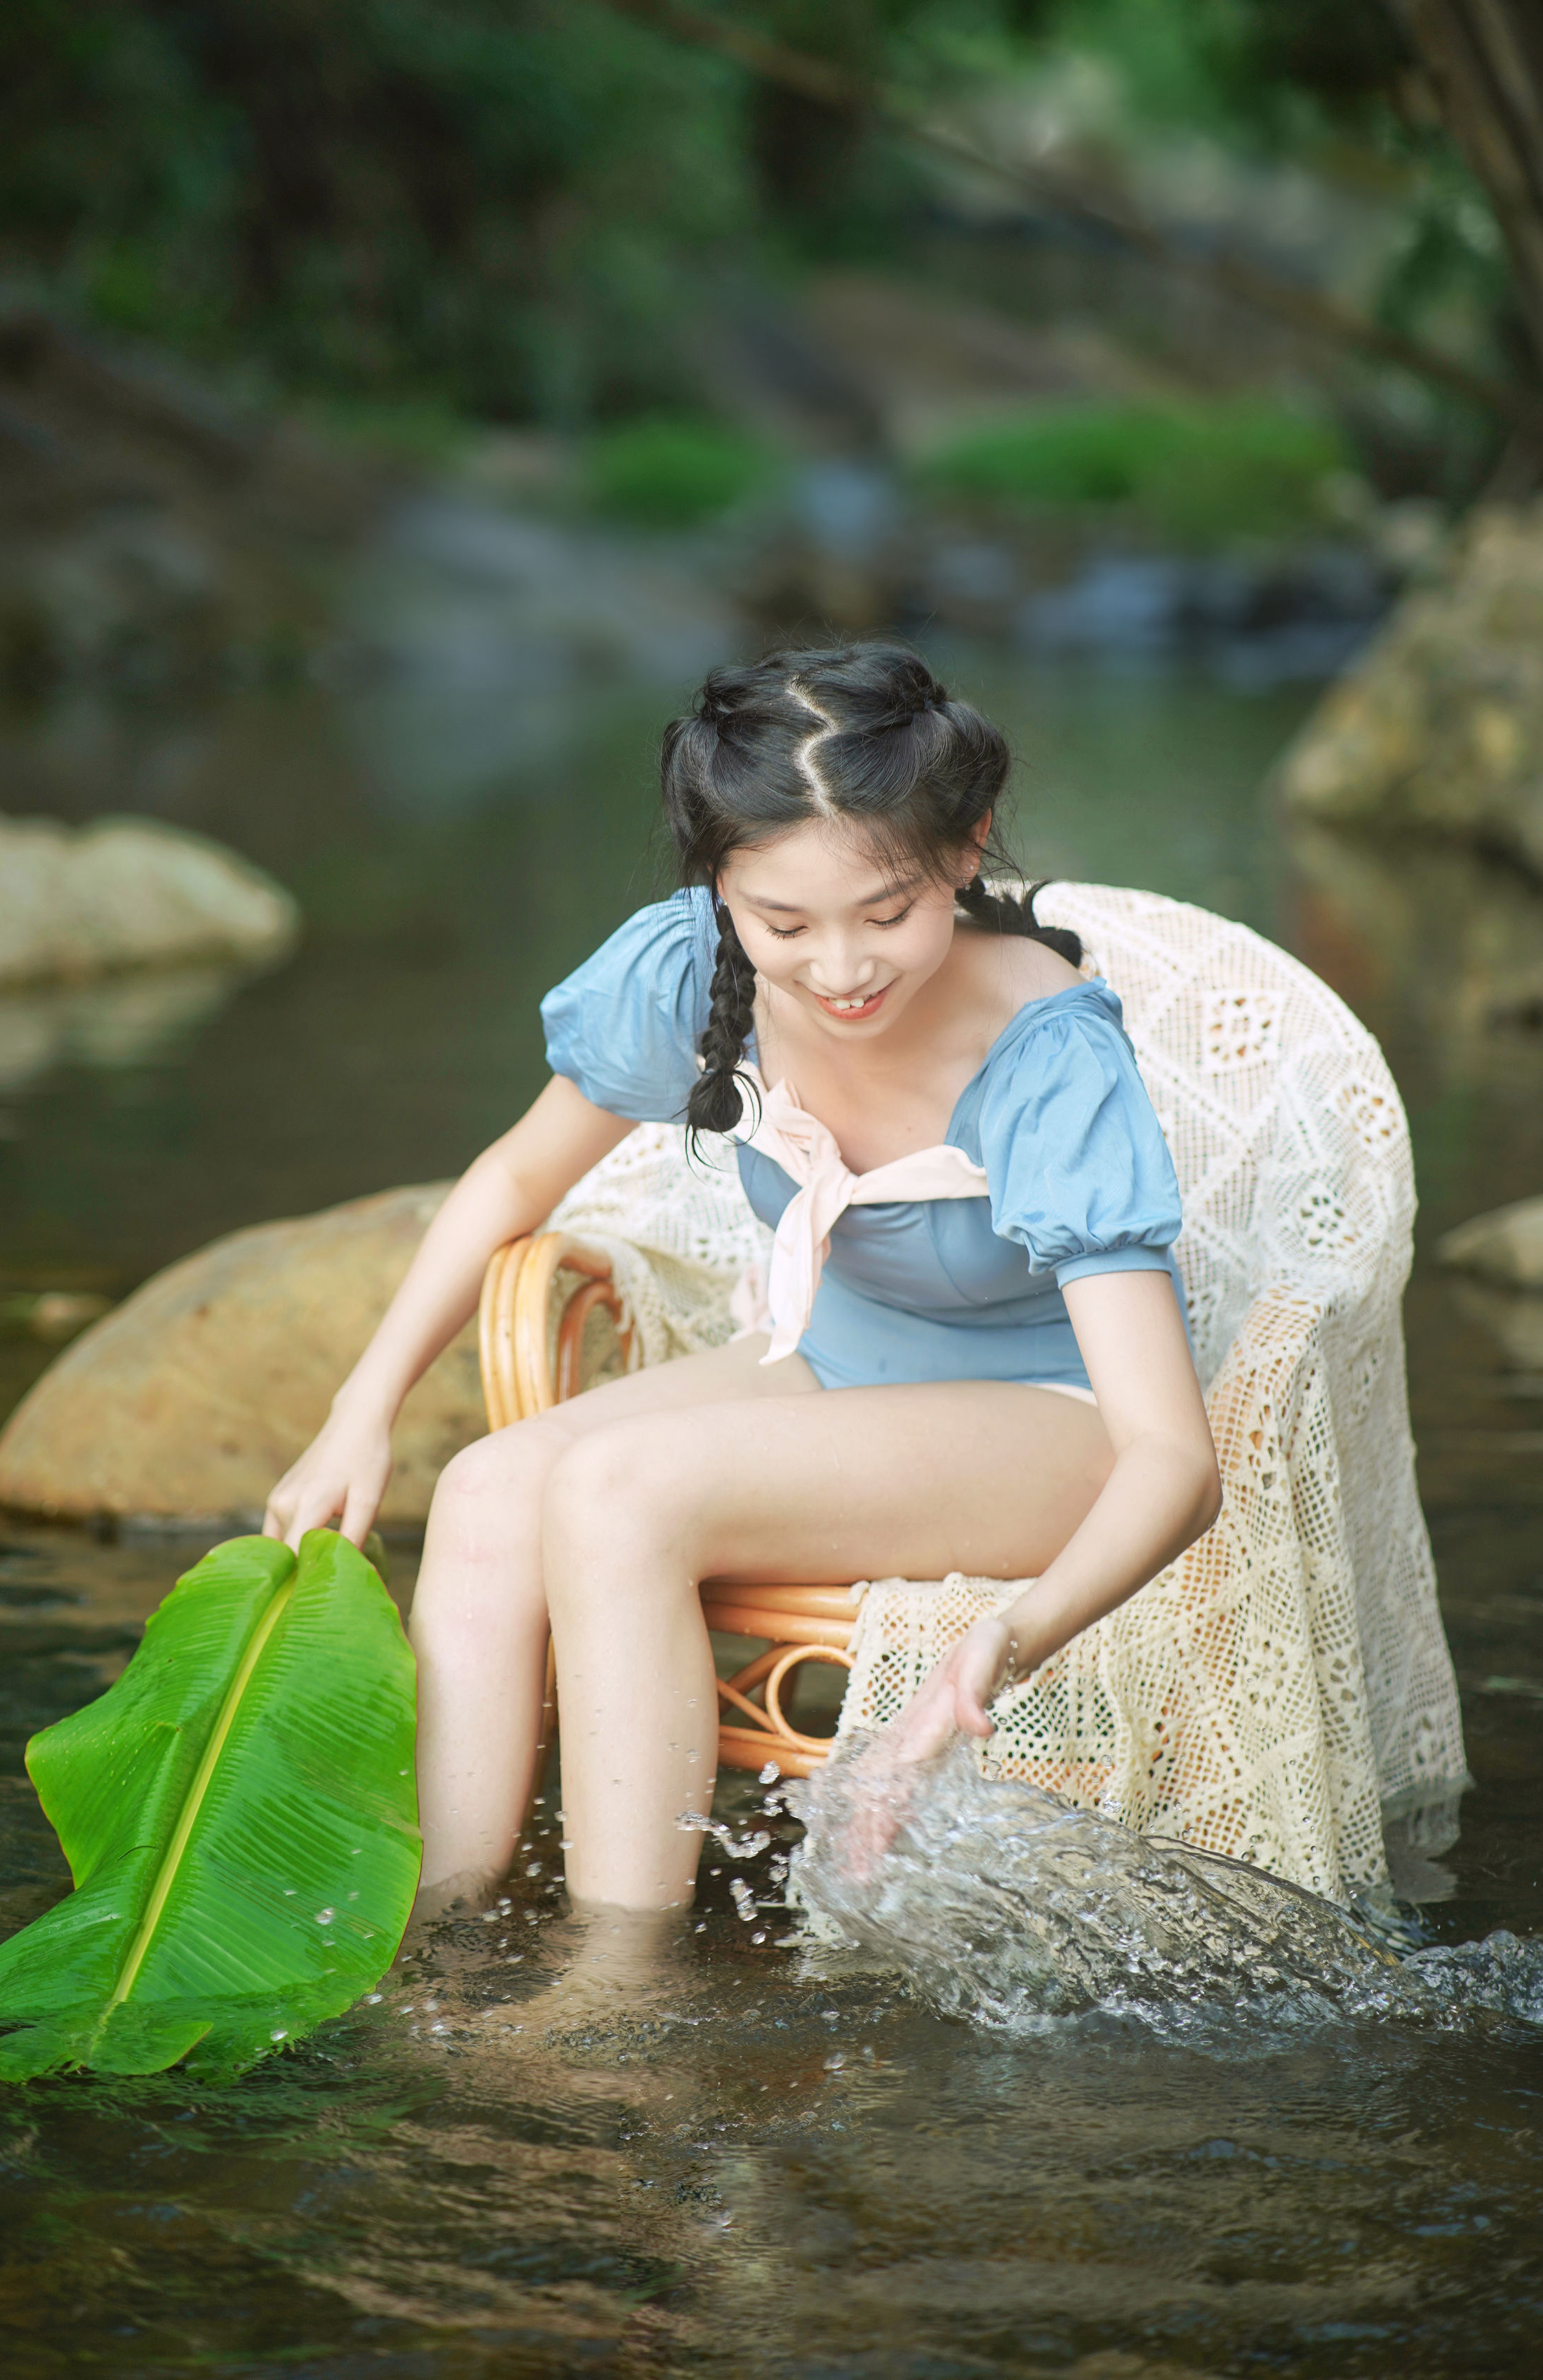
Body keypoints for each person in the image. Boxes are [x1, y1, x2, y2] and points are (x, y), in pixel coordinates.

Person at [265, 642, 1220, 1922]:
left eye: (885, 915)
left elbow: (1175, 1459)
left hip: (1054, 1415)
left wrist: (1008, 1637)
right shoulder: (687, 970)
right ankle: (445, 1926)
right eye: (783, 925)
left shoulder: (1045, 1056)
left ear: (965, 849)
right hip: (839, 1356)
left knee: (620, 1490)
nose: (839, 971)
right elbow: (508, 1182)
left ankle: (618, 1994)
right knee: (491, 1490)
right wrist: (360, 1410)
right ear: (721, 889)